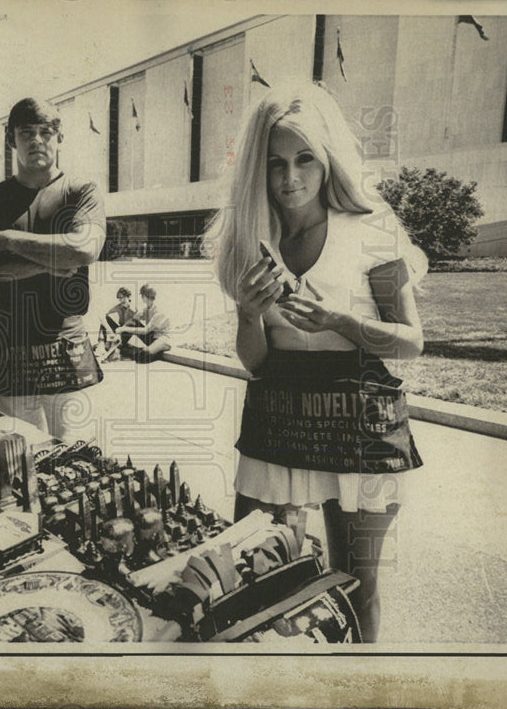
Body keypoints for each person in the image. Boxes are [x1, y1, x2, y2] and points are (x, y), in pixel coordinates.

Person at [204, 82, 428, 642]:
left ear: (328, 157)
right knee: (264, 584)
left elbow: (411, 342)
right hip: (278, 415)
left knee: (357, 586)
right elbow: (256, 363)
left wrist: (342, 323)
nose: (290, 178)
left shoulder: (371, 226)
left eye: (305, 159)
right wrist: (249, 317)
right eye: (276, 163)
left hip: (359, 417)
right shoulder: (249, 237)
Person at [0, 98, 106, 440]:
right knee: (21, 461)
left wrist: (9, 239)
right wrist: (51, 261)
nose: (37, 140)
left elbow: (84, 249)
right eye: (26, 132)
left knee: (77, 457)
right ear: (10, 138)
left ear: (59, 137)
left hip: (64, 342)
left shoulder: (79, 191)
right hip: (7, 344)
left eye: (46, 132)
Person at [116, 284, 172, 362]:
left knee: (143, 356)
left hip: (162, 339)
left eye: (142, 296)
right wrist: (122, 330)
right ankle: (120, 345)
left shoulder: (159, 311)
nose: (141, 298)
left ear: (145, 296)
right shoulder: (148, 308)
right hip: (153, 337)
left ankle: (153, 351)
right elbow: (133, 320)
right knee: (133, 323)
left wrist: (123, 329)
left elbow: (145, 331)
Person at [95, 286, 138, 361]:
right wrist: (110, 331)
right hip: (120, 331)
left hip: (128, 331)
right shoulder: (118, 307)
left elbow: (133, 325)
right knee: (106, 318)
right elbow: (102, 317)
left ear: (128, 297)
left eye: (123, 298)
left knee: (131, 323)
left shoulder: (133, 308)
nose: (121, 300)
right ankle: (101, 344)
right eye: (120, 298)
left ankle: (116, 349)